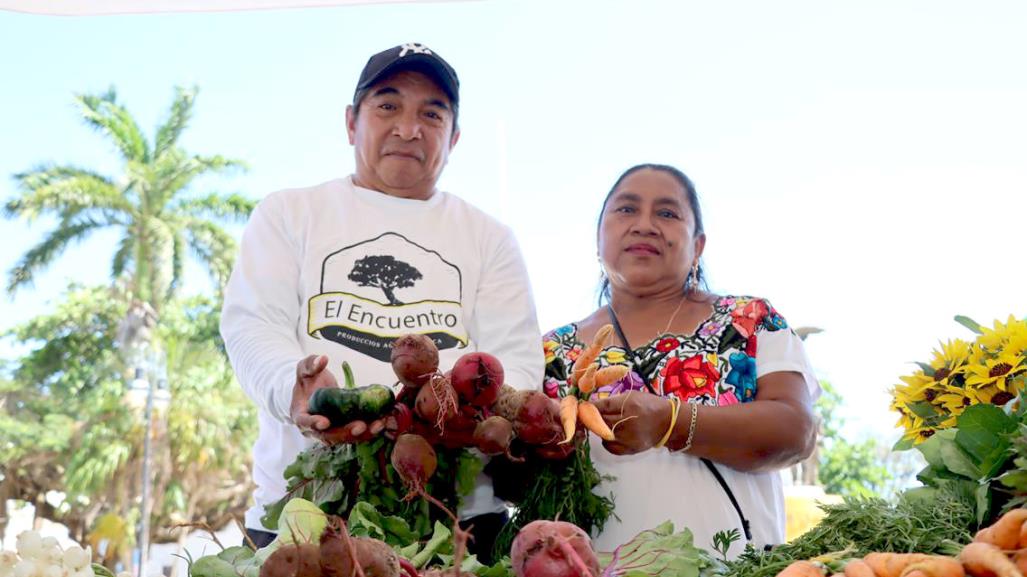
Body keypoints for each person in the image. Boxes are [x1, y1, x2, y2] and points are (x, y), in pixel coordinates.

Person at [220, 43, 544, 563]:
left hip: (459, 525)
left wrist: (461, 414)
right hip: (305, 518)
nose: (409, 127)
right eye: (387, 105)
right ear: (352, 122)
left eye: (431, 113)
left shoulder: (490, 238)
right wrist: (294, 389)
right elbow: (252, 326)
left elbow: (520, 360)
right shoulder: (289, 213)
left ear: (454, 137)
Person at [541, 163, 819, 557]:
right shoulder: (550, 353)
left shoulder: (749, 321)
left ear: (698, 245)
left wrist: (669, 422)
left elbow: (795, 432)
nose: (645, 225)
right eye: (626, 209)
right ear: (599, 236)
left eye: (667, 213)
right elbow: (512, 482)